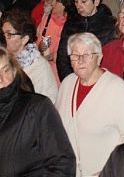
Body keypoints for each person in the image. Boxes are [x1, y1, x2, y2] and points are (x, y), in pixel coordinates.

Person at [55, 33, 124, 177]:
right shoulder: (67, 84)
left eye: (87, 55)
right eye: (75, 55)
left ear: (99, 57)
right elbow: (57, 130)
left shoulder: (117, 89)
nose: (81, 60)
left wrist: (112, 171)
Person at [0, 47, 76, 176]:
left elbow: (63, 163)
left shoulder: (37, 108)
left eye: (5, 70)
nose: (2, 79)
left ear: (13, 70)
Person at [57, 0, 117, 80]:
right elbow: (63, 56)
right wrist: (70, 80)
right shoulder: (71, 23)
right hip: (73, 79)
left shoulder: (110, 24)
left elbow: (111, 60)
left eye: (83, 1)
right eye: (76, 1)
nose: (78, 6)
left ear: (96, 1)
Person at [1, 9, 58, 101]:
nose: (4, 38)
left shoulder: (39, 66)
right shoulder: (4, 60)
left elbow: (47, 103)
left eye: (9, 34)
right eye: (3, 34)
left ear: (24, 39)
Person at [36, 0, 74, 83]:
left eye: (56, 1)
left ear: (65, 4)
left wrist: (53, 56)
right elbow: (39, 39)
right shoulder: (47, 19)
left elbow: (71, 51)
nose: (52, 3)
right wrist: (41, 46)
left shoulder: (72, 24)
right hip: (44, 70)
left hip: (60, 73)